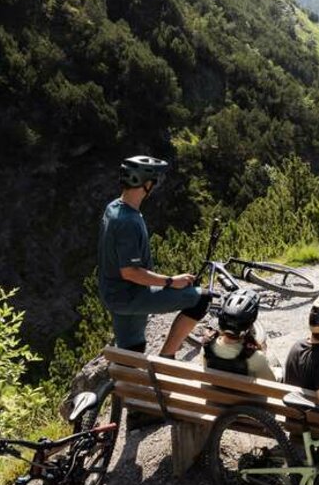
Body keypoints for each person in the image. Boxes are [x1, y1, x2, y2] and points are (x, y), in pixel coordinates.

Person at [96, 155, 210, 357]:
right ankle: (167, 357)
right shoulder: (128, 222)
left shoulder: (113, 208)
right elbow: (130, 272)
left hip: (114, 292)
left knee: (132, 349)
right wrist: (170, 281)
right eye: (154, 181)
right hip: (131, 294)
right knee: (201, 299)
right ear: (146, 183)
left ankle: (126, 384)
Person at [202, 287, 275, 380]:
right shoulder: (255, 357)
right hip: (244, 394)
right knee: (273, 361)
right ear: (250, 324)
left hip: (212, 390)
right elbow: (271, 383)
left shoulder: (207, 345)